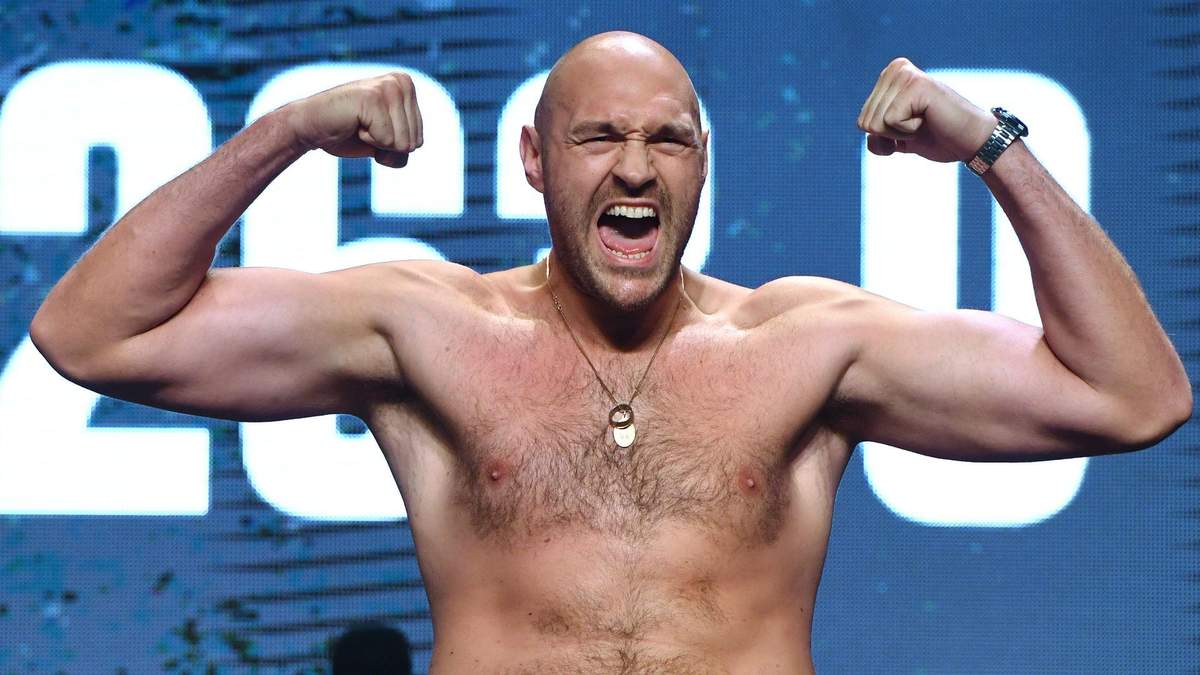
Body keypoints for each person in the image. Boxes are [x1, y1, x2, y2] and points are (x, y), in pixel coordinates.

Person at [29, 31, 1190, 673]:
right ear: (536, 161)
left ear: (701, 164)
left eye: (668, 140)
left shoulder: (804, 345)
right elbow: (90, 334)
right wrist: (282, 133)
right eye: (599, 137)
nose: (636, 167)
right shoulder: (428, 329)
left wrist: (992, 145)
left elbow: (1133, 396)